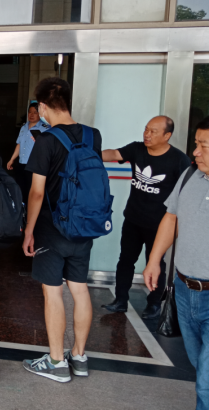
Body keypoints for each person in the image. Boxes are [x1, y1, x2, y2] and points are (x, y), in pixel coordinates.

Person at [21, 77, 102, 383]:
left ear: (43, 106)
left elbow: (37, 193)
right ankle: (79, 357)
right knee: (79, 289)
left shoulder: (46, 140)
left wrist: (28, 230)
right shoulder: (93, 136)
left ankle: (56, 361)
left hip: (52, 228)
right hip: (84, 225)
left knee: (53, 291)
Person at [144, 117, 209, 410]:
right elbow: (172, 218)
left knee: (206, 382)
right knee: (199, 366)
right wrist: (154, 260)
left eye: (204, 146)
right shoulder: (189, 176)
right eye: (196, 144)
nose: (195, 152)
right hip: (183, 291)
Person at [101, 116, 191, 319]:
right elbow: (113, 154)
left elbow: (186, 193)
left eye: (153, 131)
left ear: (167, 136)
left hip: (159, 225)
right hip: (133, 219)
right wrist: (88, 153)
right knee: (125, 260)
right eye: (146, 129)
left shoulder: (179, 160)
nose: (147, 134)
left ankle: (154, 303)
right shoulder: (137, 149)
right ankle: (120, 300)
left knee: (156, 263)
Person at [7, 101, 50, 203]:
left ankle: (31, 209)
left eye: (35, 112)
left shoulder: (45, 128)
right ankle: (22, 208)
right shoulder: (24, 127)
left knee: (32, 190)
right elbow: (19, 144)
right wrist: (12, 159)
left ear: (40, 113)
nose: (31, 115)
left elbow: (48, 147)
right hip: (22, 163)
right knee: (21, 188)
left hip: (35, 165)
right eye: (30, 112)